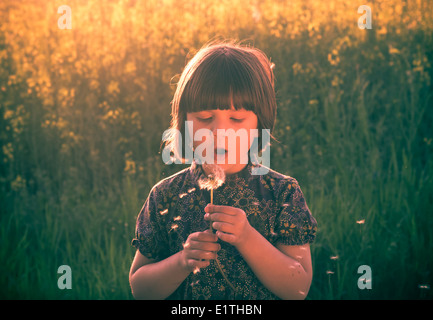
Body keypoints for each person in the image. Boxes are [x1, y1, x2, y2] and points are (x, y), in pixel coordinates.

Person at [129, 40, 317, 300]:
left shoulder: (281, 193)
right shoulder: (166, 196)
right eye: (205, 119)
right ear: (184, 122)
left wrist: (247, 238)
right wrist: (183, 261)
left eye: (237, 119)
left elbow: (298, 289)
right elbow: (140, 289)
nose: (219, 132)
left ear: (260, 122)